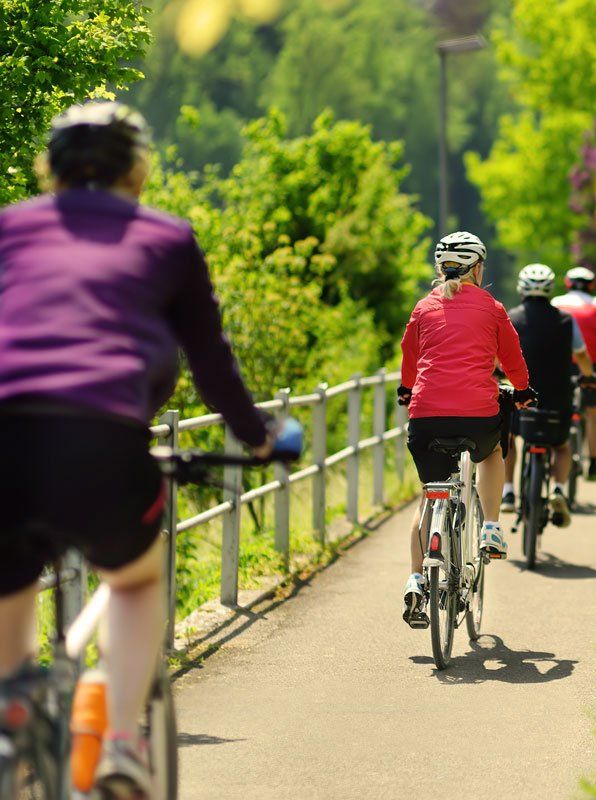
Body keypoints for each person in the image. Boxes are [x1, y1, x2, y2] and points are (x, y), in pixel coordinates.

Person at [0, 101, 278, 797]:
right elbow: (211, 363)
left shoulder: (9, 227)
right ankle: (122, 743)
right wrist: (259, 437)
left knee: (8, 574)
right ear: (137, 170)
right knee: (134, 579)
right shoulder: (167, 236)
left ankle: (12, 712)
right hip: (105, 439)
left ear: (50, 168)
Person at [396, 231, 535, 628]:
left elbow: (410, 357)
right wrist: (523, 390)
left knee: (430, 495)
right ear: (477, 268)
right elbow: (512, 358)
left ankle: (416, 578)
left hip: (426, 417)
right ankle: (490, 527)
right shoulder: (492, 307)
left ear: (441, 269)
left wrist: (407, 389)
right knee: (492, 453)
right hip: (477, 414)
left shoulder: (424, 307)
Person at [501, 264, 596, 524]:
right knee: (562, 445)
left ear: (521, 289)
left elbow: (499, 354)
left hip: (521, 395)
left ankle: (508, 492)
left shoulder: (512, 318)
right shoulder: (566, 320)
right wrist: (589, 376)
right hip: (557, 395)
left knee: (508, 438)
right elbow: (581, 355)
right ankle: (558, 489)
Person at [551, 266, 596, 481]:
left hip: (561, 364)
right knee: (595, 411)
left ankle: (552, 455)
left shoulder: (556, 303)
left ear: (568, 284)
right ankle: (594, 462)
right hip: (589, 364)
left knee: (556, 407)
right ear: (591, 285)